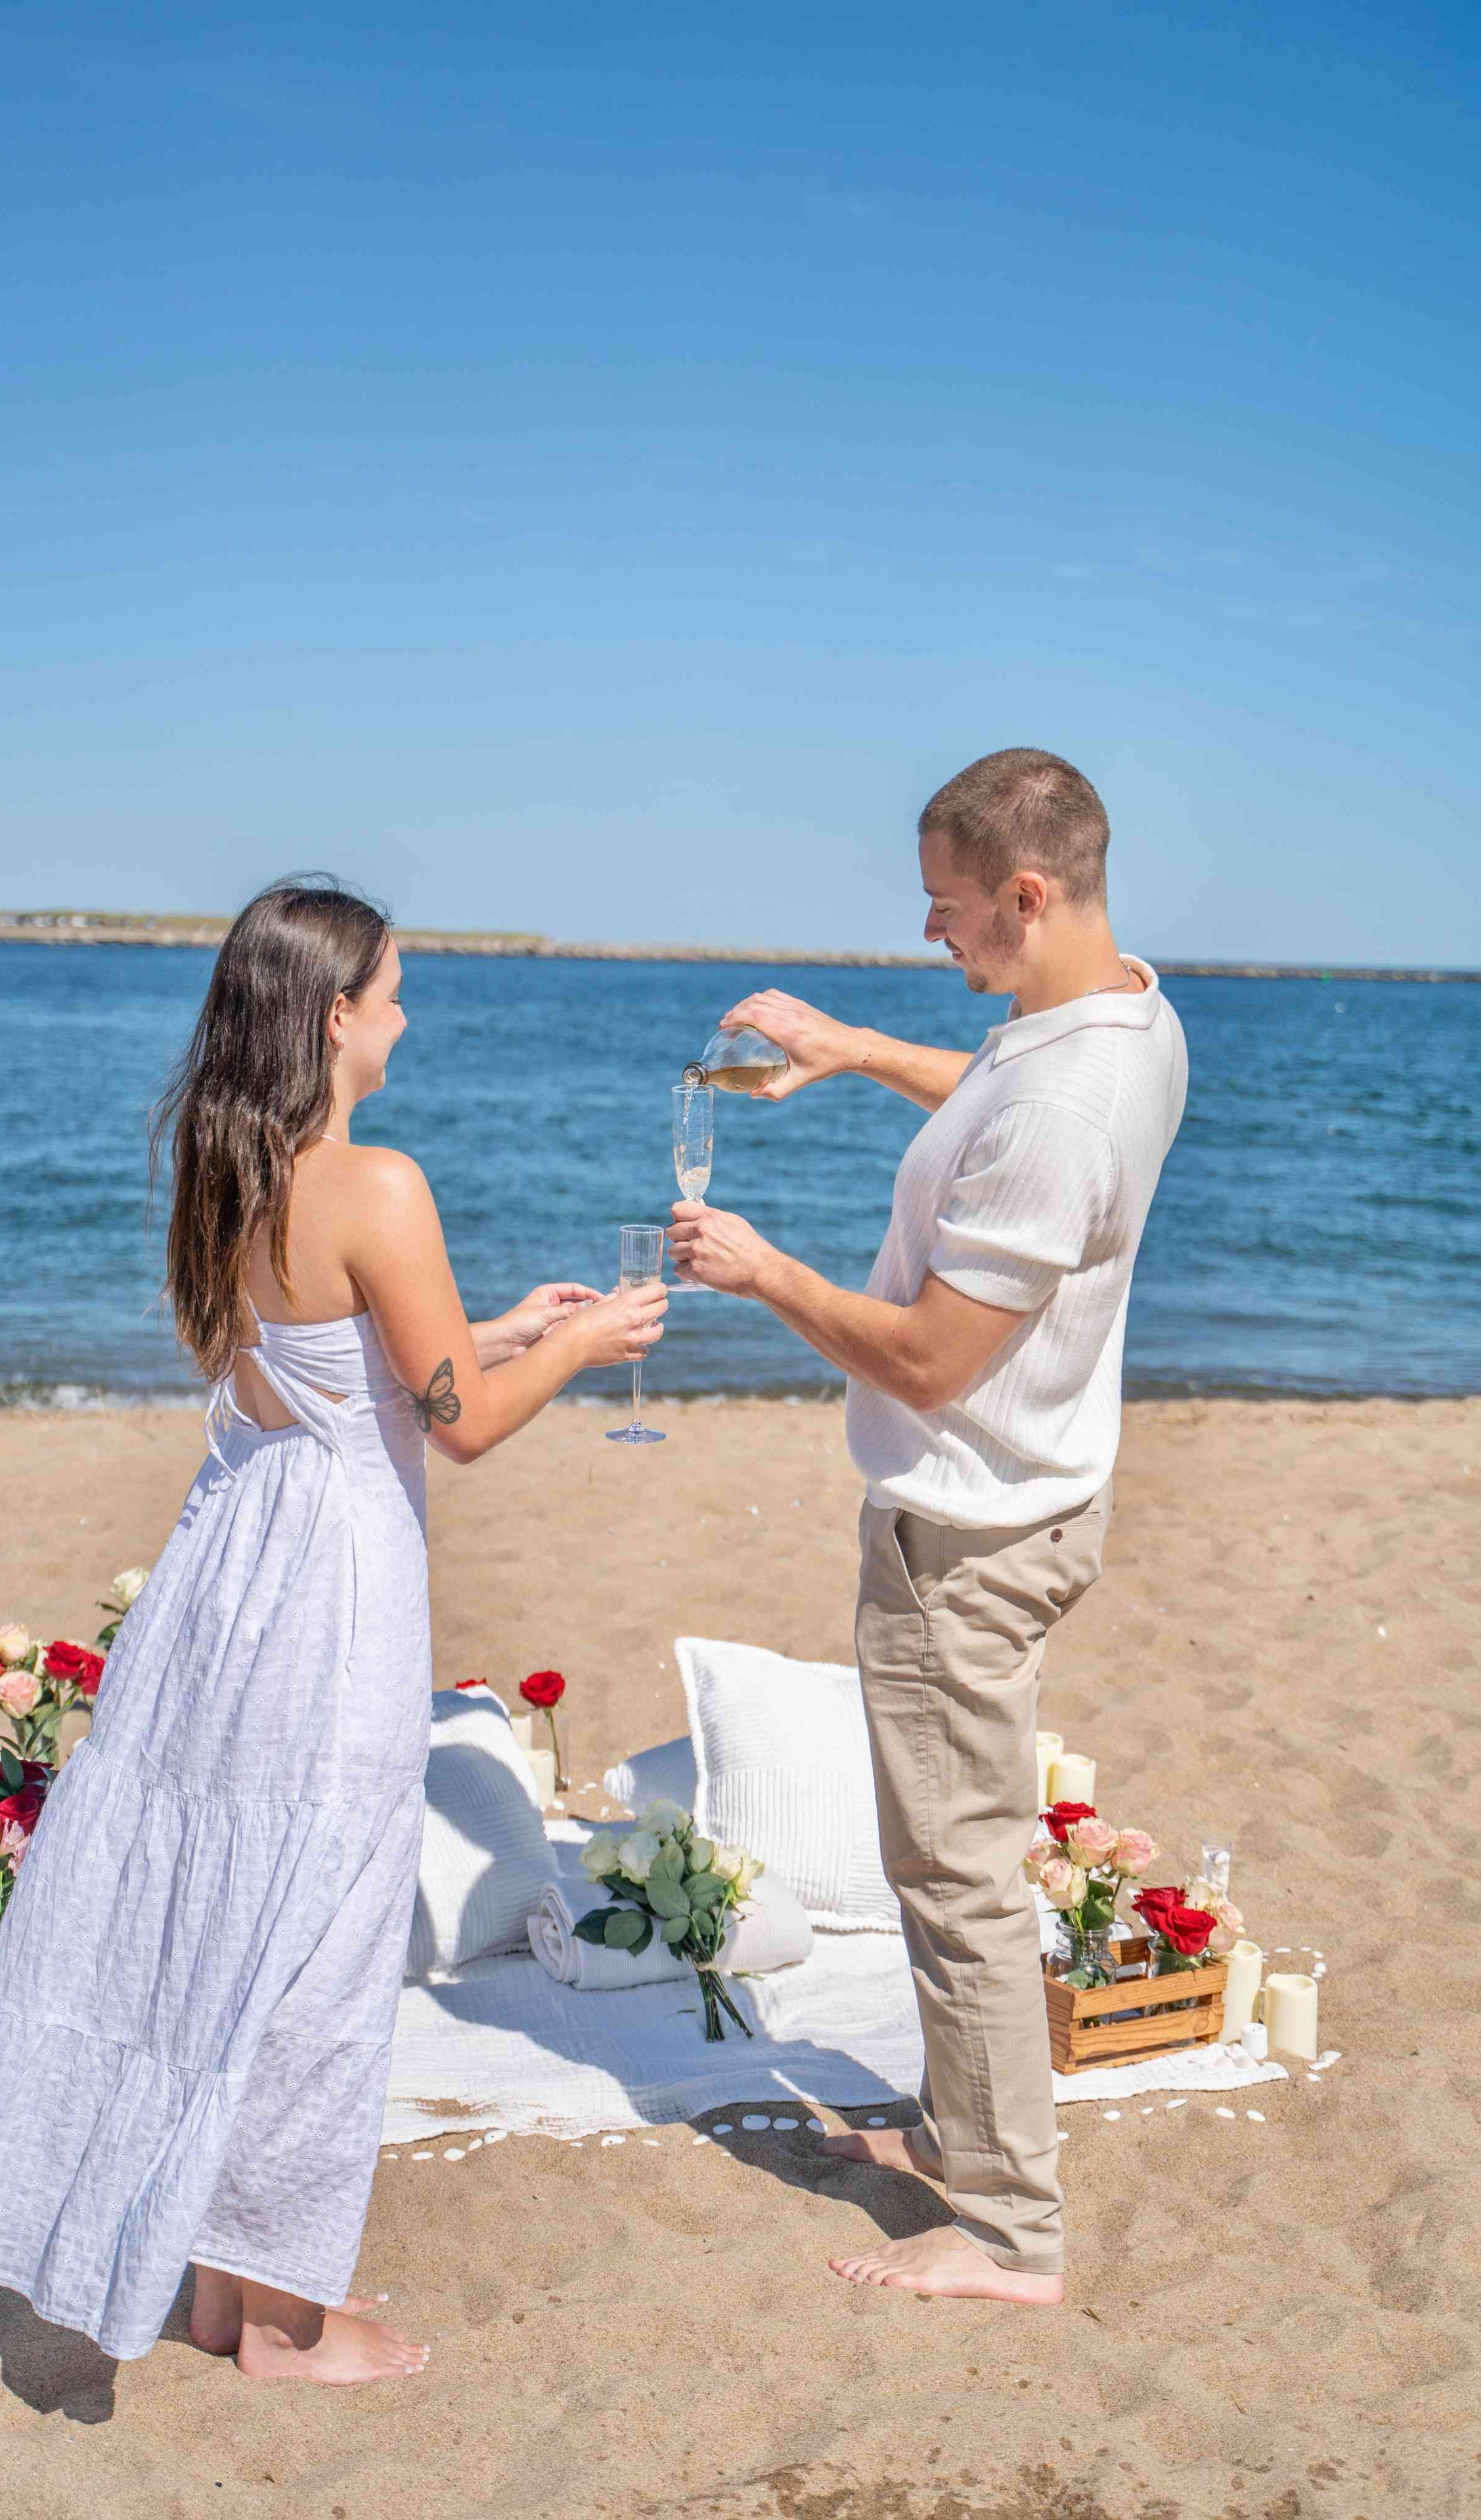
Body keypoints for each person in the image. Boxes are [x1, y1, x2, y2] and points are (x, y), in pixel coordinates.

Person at [0, 877, 667, 2382]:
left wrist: (492, 1324)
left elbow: (331, 1364)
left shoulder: (226, 1160)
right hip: (336, 1594)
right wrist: (581, 1345)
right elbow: (462, 1428)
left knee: (239, 1914)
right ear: (336, 1013)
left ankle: (229, 2292)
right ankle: (282, 2321)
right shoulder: (380, 1183)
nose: (410, 1015)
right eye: (397, 990)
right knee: (323, 1946)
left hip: (231, 1579)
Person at [669, 748, 1187, 2305]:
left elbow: (923, 1357)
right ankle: (962, 2139)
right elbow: (993, 1084)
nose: (929, 936)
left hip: (969, 1533)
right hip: (1030, 1490)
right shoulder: (1120, 1010)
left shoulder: (1069, 1099)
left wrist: (763, 1273)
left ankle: (1009, 2227)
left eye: (945, 908)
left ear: (1025, 897)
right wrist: (842, 1050)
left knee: (954, 1874)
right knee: (945, 1857)